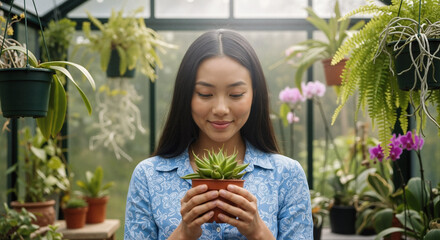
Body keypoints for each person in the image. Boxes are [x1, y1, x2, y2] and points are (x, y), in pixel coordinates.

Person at [124, 29, 313, 240]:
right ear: (186, 95)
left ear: (254, 95)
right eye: (205, 94)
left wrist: (258, 232)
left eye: (236, 94)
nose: (221, 108)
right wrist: (183, 234)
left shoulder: (287, 175)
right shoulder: (149, 176)